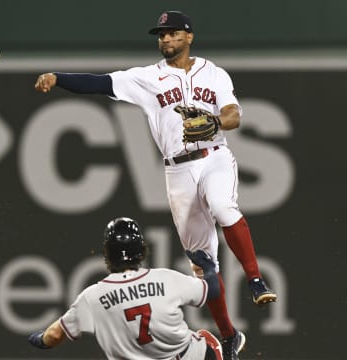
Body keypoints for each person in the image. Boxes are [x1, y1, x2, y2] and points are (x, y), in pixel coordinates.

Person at [34, 10, 277, 360]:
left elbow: (233, 116)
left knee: (224, 207)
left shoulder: (215, 73)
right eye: (161, 34)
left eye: (173, 33)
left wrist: (213, 121)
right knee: (203, 267)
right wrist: (58, 78)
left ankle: (255, 280)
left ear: (189, 37)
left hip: (214, 156)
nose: (165, 39)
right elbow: (101, 83)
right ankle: (229, 335)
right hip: (177, 170)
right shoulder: (147, 78)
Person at [28, 217, 224, 360]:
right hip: (186, 357)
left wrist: (40, 340)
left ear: (107, 253)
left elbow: (53, 335)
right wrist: (207, 267)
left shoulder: (92, 297)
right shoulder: (165, 278)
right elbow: (213, 290)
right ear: (140, 250)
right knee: (205, 339)